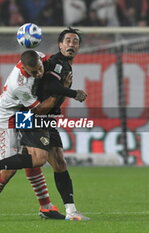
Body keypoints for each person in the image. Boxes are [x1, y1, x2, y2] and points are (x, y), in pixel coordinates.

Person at [0, 50, 87, 221]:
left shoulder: (40, 56)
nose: (39, 74)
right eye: (33, 72)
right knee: (11, 168)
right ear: (25, 69)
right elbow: (39, 109)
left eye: (39, 69)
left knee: (34, 159)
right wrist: (65, 90)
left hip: (23, 113)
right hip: (7, 118)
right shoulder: (19, 85)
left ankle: (46, 207)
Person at [26, 27, 90, 221]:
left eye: (75, 42)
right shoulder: (57, 63)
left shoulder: (65, 65)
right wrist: (74, 93)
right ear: (60, 45)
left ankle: (70, 211)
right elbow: (51, 87)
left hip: (47, 119)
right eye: (68, 41)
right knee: (32, 162)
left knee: (60, 162)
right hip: (35, 117)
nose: (71, 45)